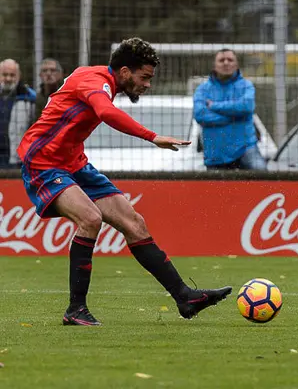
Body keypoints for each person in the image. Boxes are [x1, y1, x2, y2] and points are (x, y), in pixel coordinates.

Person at [17, 37, 232, 326]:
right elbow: (105, 113)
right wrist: (152, 136)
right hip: (42, 160)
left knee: (134, 223)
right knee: (91, 218)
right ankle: (75, 309)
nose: (147, 84)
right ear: (125, 71)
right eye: (144, 77)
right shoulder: (93, 79)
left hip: (73, 162)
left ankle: (185, 297)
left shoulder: (104, 83)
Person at [193, 49, 266, 170]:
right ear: (215, 65)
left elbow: (246, 107)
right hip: (215, 154)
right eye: (222, 60)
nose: (226, 63)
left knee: (265, 182)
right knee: (214, 189)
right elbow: (200, 115)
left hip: (245, 148)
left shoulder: (246, 86)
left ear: (236, 64)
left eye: (230, 60)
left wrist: (214, 106)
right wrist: (236, 116)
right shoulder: (203, 89)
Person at [0, 58, 36, 168]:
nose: (8, 78)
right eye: (4, 74)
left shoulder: (30, 97)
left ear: (18, 76)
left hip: (17, 159)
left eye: (12, 75)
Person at [34, 57, 65, 122]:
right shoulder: (37, 98)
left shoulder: (67, 94)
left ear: (60, 74)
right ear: (40, 75)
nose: (48, 74)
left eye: (53, 70)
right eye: (45, 71)